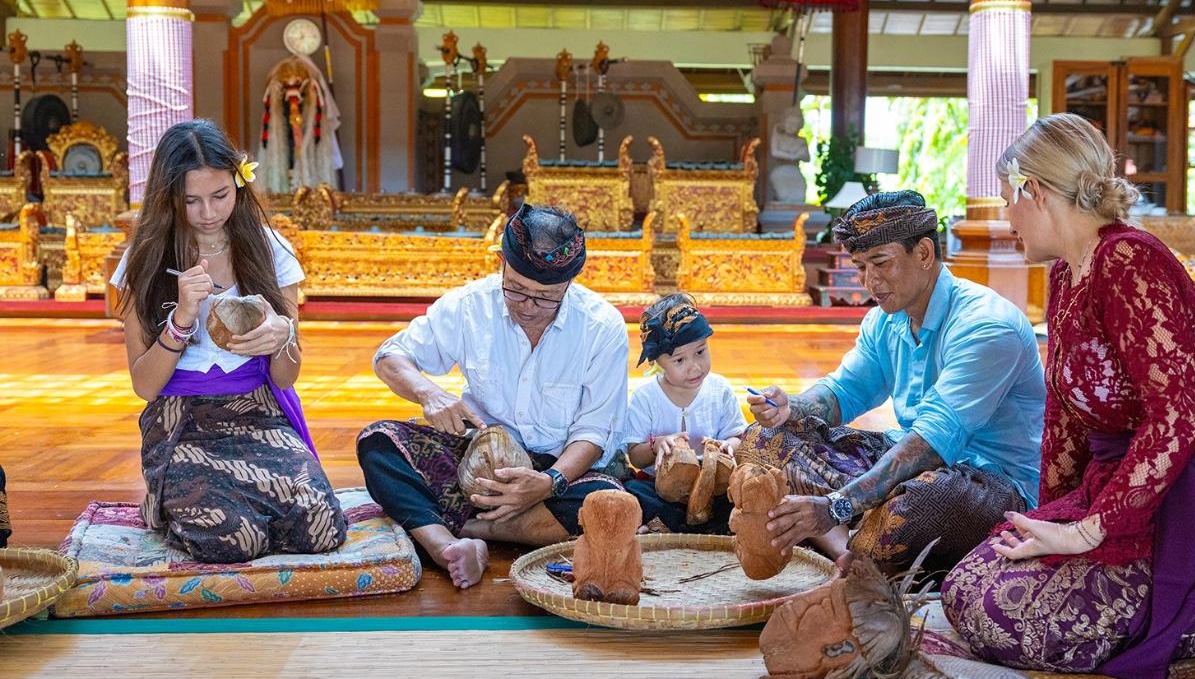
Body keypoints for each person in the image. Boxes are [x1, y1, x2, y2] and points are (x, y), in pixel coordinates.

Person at [942, 113, 1195, 679]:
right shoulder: (1065, 274)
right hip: (1116, 489)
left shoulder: (1130, 262)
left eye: (1009, 199)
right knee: (967, 585)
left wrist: (1086, 532)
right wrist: (1049, 523)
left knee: (1005, 617)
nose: (1007, 218)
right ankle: (1177, 621)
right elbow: (1066, 418)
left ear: (1037, 190)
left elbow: (1177, 415)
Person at [745, 189, 1044, 573]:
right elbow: (843, 393)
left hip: (990, 485)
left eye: (880, 263)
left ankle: (852, 537)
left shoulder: (986, 326)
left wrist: (838, 504)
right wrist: (790, 407)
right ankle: (851, 554)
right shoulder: (886, 319)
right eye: (860, 267)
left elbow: (930, 444)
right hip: (912, 462)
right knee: (765, 441)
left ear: (923, 253)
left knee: (912, 508)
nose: (869, 281)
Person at [356, 203, 629, 589]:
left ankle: (450, 525)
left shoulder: (602, 326)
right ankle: (446, 546)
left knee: (607, 502)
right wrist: (428, 393)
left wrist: (548, 483)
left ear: (570, 285)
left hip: (558, 468)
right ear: (502, 262)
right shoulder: (470, 305)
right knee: (380, 444)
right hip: (477, 462)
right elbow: (390, 355)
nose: (529, 307)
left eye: (545, 297)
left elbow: (594, 431)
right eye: (516, 289)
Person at [112, 119, 344, 564]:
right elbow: (144, 386)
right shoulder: (144, 260)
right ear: (168, 199)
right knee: (232, 541)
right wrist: (180, 320)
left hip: (257, 410)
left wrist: (282, 337)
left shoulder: (269, 248)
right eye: (191, 201)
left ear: (239, 181)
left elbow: (287, 374)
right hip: (182, 421)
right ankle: (166, 497)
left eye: (220, 195)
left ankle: (221, 498)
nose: (208, 212)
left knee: (320, 526)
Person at [621, 293, 746, 533]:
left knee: (737, 494)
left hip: (712, 485)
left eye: (700, 352)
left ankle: (679, 526)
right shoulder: (645, 397)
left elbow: (737, 437)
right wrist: (656, 445)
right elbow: (635, 456)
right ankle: (681, 524)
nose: (694, 366)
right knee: (634, 491)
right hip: (660, 487)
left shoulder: (719, 390)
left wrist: (728, 446)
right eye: (679, 360)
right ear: (658, 362)